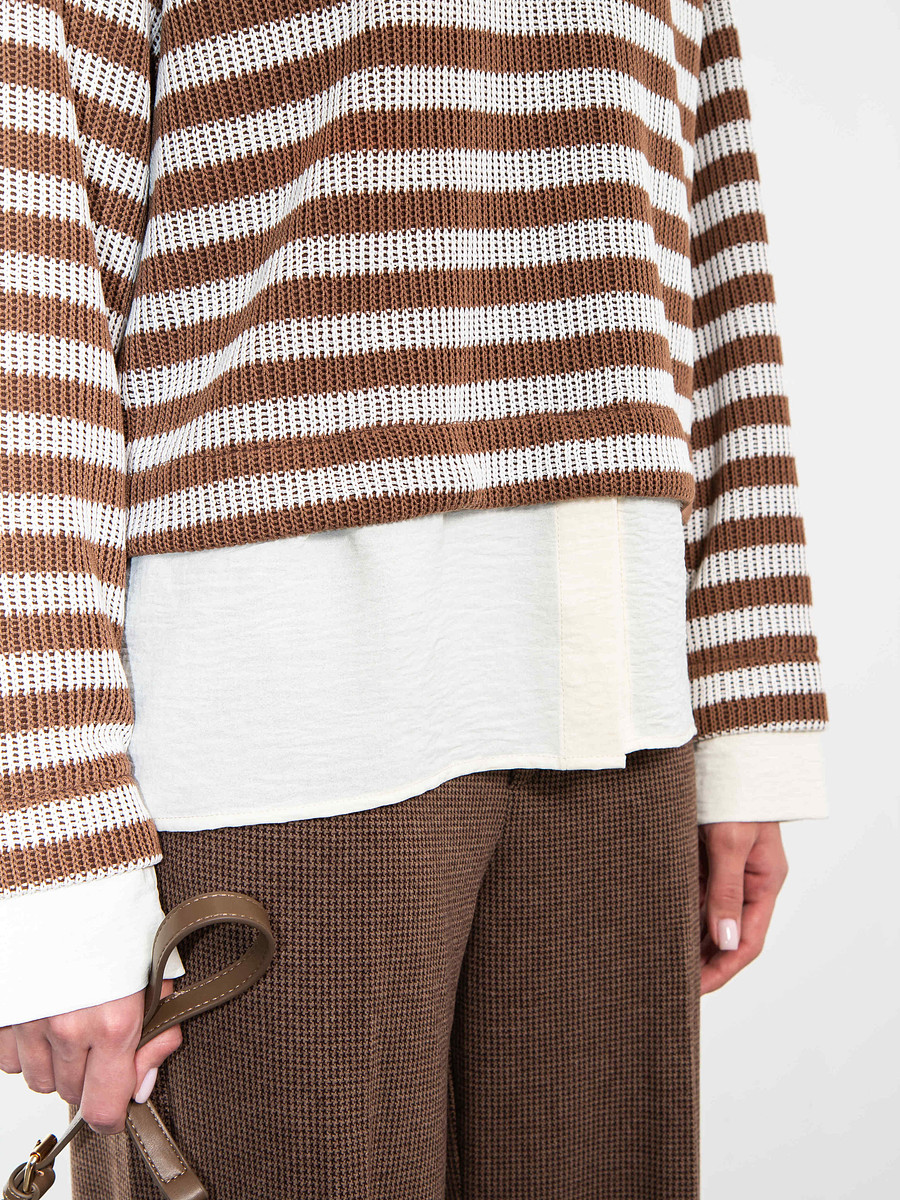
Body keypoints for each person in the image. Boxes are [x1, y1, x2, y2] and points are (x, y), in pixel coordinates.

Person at [0, 0, 829, 1196]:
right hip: (284, 725)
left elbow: (711, 219)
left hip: (622, 694)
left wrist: (748, 698)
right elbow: (33, 252)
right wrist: (50, 848)